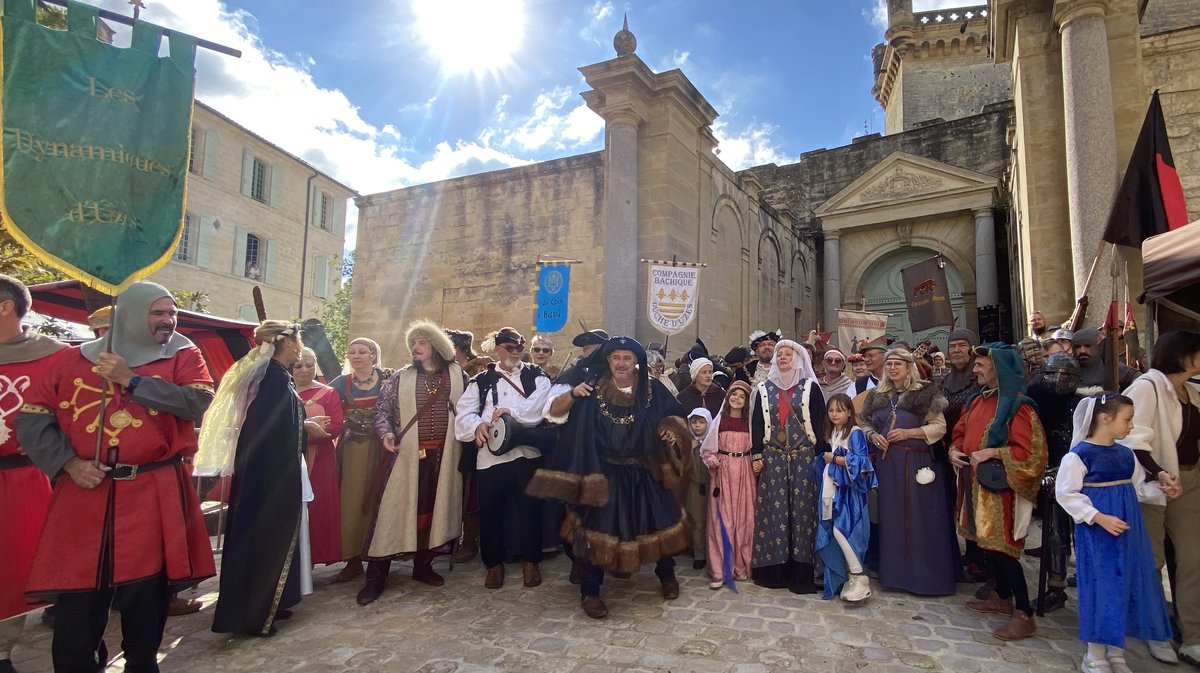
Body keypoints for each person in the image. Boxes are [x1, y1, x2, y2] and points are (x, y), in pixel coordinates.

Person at [17, 281, 216, 673]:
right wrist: (70, 464)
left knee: (146, 595)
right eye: (158, 312)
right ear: (129, 314)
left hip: (150, 489)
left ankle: (142, 665)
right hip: (84, 493)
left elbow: (197, 402)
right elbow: (33, 418)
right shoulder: (73, 359)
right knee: (79, 598)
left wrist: (133, 380)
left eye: (171, 312)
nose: (168, 320)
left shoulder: (182, 354)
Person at [528, 336, 689, 619]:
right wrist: (573, 395)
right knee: (598, 531)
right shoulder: (592, 389)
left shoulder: (652, 388)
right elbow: (553, 413)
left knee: (658, 522)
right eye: (616, 358)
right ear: (609, 360)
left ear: (635, 362)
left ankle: (667, 576)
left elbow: (675, 416)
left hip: (643, 470)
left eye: (627, 358)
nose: (621, 363)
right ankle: (590, 591)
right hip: (606, 472)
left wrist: (669, 430)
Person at [1056, 394, 1176, 673]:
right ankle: (1094, 653)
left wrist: (1162, 489)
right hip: (1098, 536)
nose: (1131, 426)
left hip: (1127, 532)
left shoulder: (1126, 454)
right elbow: (1066, 493)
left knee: (1124, 587)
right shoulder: (1079, 456)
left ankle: (1116, 651)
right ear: (1104, 418)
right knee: (1102, 587)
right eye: (1127, 419)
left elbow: (1138, 489)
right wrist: (1098, 517)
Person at [205, 321, 305, 637]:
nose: (300, 344)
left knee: (272, 538)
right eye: (297, 339)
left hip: (269, 472)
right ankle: (256, 615)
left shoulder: (274, 377)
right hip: (269, 476)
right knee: (266, 540)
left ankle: (272, 603)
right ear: (288, 343)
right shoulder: (271, 381)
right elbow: (269, 433)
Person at [361, 321, 466, 604]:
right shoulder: (400, 377)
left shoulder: (458, 375)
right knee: (393, 513)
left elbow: (468, 411)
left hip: (443, 457)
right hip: (407, 456)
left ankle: (423, 565)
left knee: (433, 512)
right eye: (413, 343)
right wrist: (385, 433)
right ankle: (376, 576)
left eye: (422, 341)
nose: (416, 347)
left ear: (436, 346)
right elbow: (381, 411)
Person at [950, 343, 1048, 641]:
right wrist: (954, 450)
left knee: (1003, 550)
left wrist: (992, 451)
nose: (975, 369)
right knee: (985, 544)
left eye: (981, 365)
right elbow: (960, 433)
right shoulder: (977, 401)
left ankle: (1024, 614)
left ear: (998, 369)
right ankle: (1001, 597)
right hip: (974, 483)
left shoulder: (1019, 406)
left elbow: (1033, 453)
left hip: (1000, 488)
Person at [0, 275, 67, 673]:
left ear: (5, 307)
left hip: (26, 480)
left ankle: (2, 651)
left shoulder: (56, 357)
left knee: (14, 569)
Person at [1123, 330, 1200, 665]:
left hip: (1191, 480)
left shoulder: (1194, 392)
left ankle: (1193, 634)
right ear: (1183, 355)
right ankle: (1156, 630)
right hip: (1151, 483)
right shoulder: (1146, 387)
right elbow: (1132, 436)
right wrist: (1159, 473)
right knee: (1152, 560)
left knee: (1192, 559)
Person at [455, 327, 552, 589]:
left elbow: (539, 407)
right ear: (498, 349)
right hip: (491, 459)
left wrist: (511, 412)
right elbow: (463, 414)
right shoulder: (481, 381)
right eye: (509, 347)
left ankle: (531, 562)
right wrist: (478, 426)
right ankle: (493, 565)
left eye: (519, 347)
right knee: (491, 514)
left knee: (530, 511)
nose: (515, 352)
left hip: (527, 454)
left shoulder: (536, 375)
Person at [860, 349, 957, 596]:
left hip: (917, 463)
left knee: (920, 519)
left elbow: (939, 427)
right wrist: (873, 435)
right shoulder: (877, 394)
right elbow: (865, 422)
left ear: (908, 366)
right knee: (891, 519)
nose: (892, 368)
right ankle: (894, 576)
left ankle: (925, 579)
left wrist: (909, 433)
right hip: (887, 465)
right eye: (889, 363)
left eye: (898, 364)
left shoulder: (925, 393)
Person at [750, 338, 826, 594]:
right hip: (773, 458)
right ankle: (774, 569)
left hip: (804, 457)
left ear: (798, 359)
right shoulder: (763, 389)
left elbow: (819, 422)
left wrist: (817, 456)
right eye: (779, 354)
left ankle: (802, 570)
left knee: (803, 512)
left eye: (787, 354)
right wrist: (757, 455)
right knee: (775, 511)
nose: (781, 357)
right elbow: (758, 423)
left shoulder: (810, 389)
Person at [328, 337, 391, 582]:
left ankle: (382, 555)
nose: (356, 356)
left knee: (381, 499)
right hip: (354, 449)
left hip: (384, 448)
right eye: (352, 352)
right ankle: (353, 559)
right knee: (352, 502)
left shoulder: (389, 379)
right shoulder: (340, 383)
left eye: (362, 352)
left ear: (373, 355)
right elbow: (324, 405)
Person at [816, 393, 877, 602]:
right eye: (831, 410)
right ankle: (849, 576)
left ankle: (860, 577)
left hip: (849, 493)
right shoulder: (834, 432)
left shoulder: (855, 433)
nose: (834, 414)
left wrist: (833, 458)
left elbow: (861, 463)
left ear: (849, 412)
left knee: (843, 531)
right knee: (835, 530)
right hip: (833, 489)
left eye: (839, 410)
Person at [699, 381, 756, 590]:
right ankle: (720, 570)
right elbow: (708, 449)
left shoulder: (750, 423)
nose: (737, 399)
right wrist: (712, 459)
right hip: (723, 473)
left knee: (744, 519)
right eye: (734, 394)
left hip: (744, 472)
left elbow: (756, 447)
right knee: (721, 520)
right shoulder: (719, 421)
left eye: (742, 396)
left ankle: (741, 566)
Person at [293, 347, 344, 567]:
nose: (305, 370)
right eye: (298, 365)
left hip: (320, 458)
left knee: (317, 507)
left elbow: (336, 424)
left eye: (310, 365)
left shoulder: (328, 393)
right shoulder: (284, 391)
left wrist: (313, 434)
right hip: (289, 458)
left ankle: (314, 557)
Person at [685, 408, 712, 571]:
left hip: (713, 486)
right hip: (694, 487)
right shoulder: (687, 441)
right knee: (697, 523)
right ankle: (699, 554)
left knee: (713, 520)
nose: (697, 426)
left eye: (702, 422)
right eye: (694, 422)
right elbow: (681, 465)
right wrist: (690, 448)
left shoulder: (713, 441)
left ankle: (713, 554)